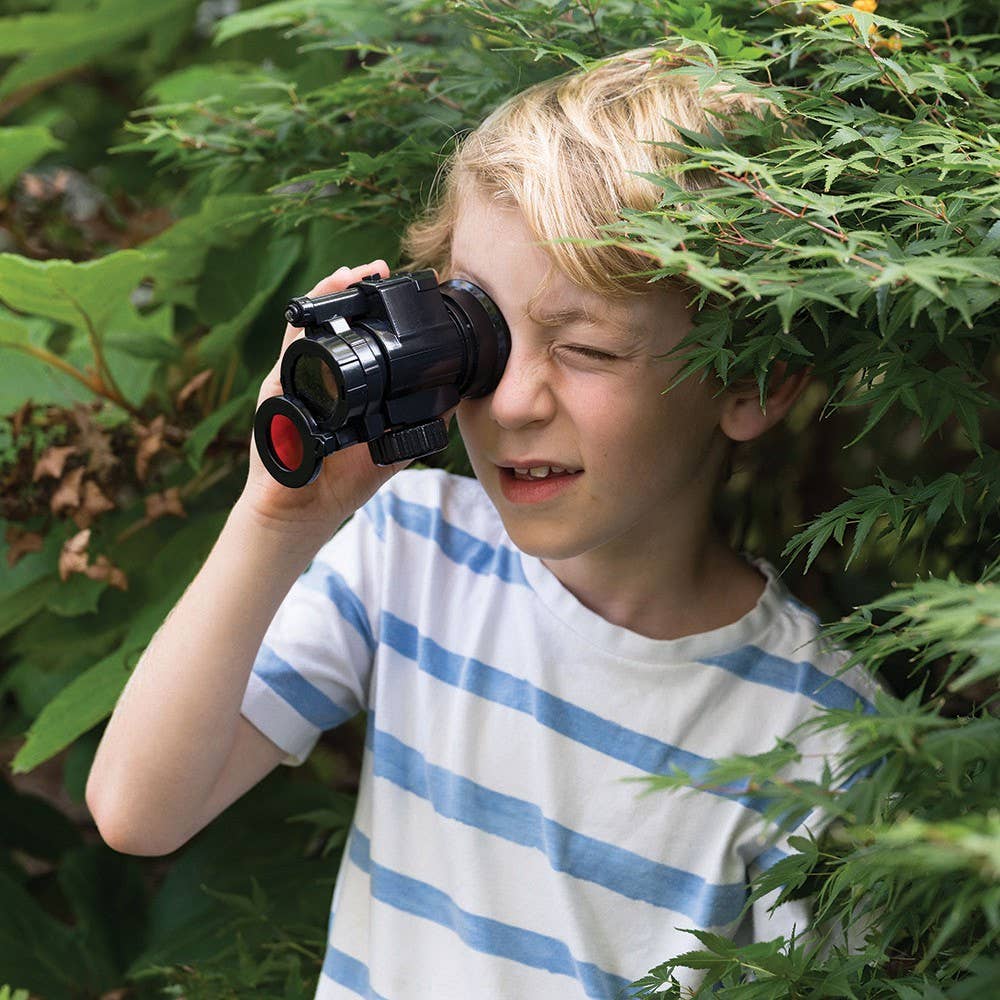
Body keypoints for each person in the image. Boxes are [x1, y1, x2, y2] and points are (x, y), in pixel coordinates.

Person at [87, 47, 879, 999]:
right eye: (482, 334)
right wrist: (276, 520)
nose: (509, 404)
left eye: (584, 349)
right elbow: (139, 810)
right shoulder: (411, 548)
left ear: (756, 384)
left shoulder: (819, 734)